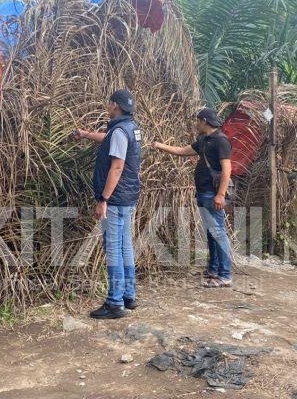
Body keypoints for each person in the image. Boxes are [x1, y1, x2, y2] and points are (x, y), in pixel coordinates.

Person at [73, 89, 142, 319]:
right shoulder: (128, 128)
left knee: (113, 248)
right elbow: (108, 139)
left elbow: (117, 166)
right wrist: (85, 133)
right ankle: (128, 296)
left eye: (109, 103)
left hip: (116, 199)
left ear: (114, 105)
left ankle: (114, 303)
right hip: (128, 196)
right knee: (125, 246)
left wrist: (103, 199)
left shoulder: (120, 131)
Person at [153, 108, 233, 287]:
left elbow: (227, 169)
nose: (196, 124)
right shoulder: (204, 140)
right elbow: (182, 151)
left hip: (213, 194)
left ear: (204, 121)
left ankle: (225, 275)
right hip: (204, 192)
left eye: (197, 121)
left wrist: (220, 194)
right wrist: (160, 146)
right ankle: (213, 269)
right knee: (212, 232)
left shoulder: (221, 141)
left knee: (218, 232)